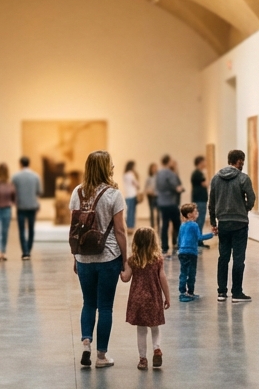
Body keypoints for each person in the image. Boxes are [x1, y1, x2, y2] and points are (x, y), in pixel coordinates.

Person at [71, 150, 130, 370]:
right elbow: (120, 231)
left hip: (84, 256)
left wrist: (75, 257)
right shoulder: (114, 194)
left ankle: (86, 342)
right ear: (107, 168)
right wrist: (126, 260)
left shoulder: (77, 192)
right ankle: (101, 356)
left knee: (88, 303)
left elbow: (75, 229)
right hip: (108, 256)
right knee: (105, 307)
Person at [209, 149, 257, 302]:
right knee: (238, 258)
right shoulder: (243, 178)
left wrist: (212, 222)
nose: (242, 164)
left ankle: (221, 292)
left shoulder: (216, 179)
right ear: (239, 161)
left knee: (223, 257)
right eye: (242, 161)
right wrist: (246, 208)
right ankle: (237, 292)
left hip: (223, 222)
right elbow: (251, 197)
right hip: (240, 223)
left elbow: (212, 202)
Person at [122, 227, 169, 370]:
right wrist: (167, 297)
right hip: (153, 297)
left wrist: (121, 267)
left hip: (137, 299)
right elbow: (163, 278)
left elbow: (125, 278)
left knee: (141, 330)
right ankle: (157, 348)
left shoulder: (132, 260)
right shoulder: (158, 260)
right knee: (155, 326)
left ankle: (143, 359)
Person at [176, 203, 211, 302]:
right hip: (191, 252)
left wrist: (180, 249)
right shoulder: (194, 225)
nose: (197, 213)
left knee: (183, 272)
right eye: (195, 212)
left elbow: (179, 239)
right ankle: (190, 292)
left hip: (182, 252)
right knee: (191, 273)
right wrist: (212, 234)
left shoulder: (182, 225)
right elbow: (199, 238)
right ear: (190, 214)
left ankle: (182, 292)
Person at [12, 156, 43, 258]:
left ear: (20, 164)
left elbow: (12, 191)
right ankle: (29, 249)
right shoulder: (35, 176)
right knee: (31, 229)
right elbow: (39, 191)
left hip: (20, 206)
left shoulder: (15, 177)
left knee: (21, 229)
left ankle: (25, 251)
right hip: (32, 206)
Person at [155, 155, 184, 254]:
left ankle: (164, 246)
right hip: (170, 202)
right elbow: (176, 187)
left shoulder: (158, 173)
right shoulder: (170, 173)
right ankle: (179, 243)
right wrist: (180, 189)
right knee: (177, 224)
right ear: (168, 162)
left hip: (161, 202)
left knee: (164, 224)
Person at [191, 155, 210, 247]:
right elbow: (206, 184)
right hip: (200, 200)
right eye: (204, 162)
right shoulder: (198, 174)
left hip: (199, 199)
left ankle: (198, 240)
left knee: (199, 220)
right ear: (200, 163)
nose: (205, 164)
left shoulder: (196, 173)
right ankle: (198, 240)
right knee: (200, 220)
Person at [122, 160, 140, 231]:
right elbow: (137, 184)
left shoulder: (125, 174)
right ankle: (131, 225)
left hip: (127, 194)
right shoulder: (131, 174)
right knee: (132, 211)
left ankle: (128, 225)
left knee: (128, 211)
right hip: (132, 194)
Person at [143, 163, 158, 228]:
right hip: (151, 196)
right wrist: (149, 191)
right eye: (153, 168)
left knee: (158, 212)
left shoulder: (158, 177)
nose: (154, 169)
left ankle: (158, 225)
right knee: (151, 211)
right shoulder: (149, 178)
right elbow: (145, 188)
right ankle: (152, 225)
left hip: (157, 196)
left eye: (155, 168)